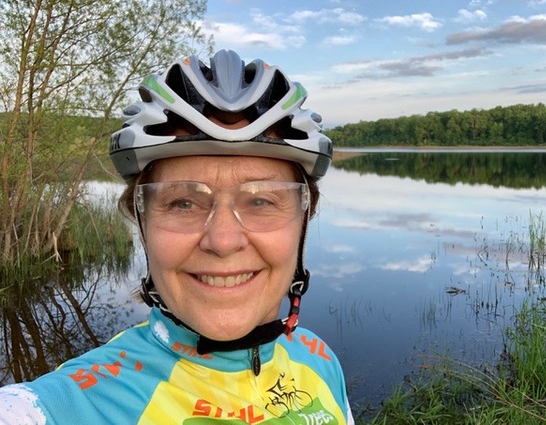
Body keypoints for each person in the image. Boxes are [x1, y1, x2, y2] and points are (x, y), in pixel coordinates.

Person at [0, 49, 355, 424]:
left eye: (262, 200)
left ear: (303, 221)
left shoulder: (320, 360)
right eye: (183, 203)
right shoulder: (62, 407)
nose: (222, 240)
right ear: (142, 223)